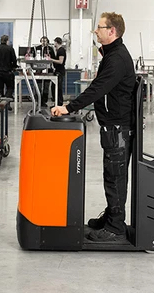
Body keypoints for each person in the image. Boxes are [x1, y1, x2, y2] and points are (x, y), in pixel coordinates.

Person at [51, 12, 136, 243]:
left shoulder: (117, 58)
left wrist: (69, 107)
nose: (96, 31)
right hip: (113, 125)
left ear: (112, 31)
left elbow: (98, 88)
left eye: (100, 27)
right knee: (112, 173)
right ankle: (111, 216)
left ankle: (116, 227)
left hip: (117, 127)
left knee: (115, 176)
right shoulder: (112, 54)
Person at [0, 35, 17, 109]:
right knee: (10, 88)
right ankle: (7, 104)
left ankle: (1, 105)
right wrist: (14, 67)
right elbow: (14, 60)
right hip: (8, 72)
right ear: (7, 41)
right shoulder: (10, 49)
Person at [36, 36, 56, 107]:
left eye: (45, 41)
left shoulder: (50, 49)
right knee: (38, 86)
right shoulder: (36, 48)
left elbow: (53, 58)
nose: (43, 42)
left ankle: (44, 101)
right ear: (40, 41)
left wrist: (54, 67)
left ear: (47, 42)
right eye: (42, 41)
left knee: (46, 86)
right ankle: (39, 100)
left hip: (48, 69)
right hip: (38, 69)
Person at [51, 37, 67, 106]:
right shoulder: (58, 50)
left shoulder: (61, 50)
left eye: (54, 42)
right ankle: (56, 103)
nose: (54, 44)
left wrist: (51, 59)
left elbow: (60, 61)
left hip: (60, 71)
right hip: (57, 70)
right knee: (54, 87)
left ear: (56, 42)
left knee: (58, 88)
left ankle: (59, 103)